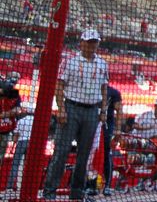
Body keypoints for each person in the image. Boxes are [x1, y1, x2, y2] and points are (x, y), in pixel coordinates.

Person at [43, 29, 109, 201]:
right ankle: (49, 192)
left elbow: (104, 89)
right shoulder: (70, 62)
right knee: (61, 151)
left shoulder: (102, 64)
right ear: (81, 43)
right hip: (71, 108)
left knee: (84, 154)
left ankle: (77, 192)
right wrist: (61, 108)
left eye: (95, 42)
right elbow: (59, 86)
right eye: (89, 42)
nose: (92, 45)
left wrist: (103, 111)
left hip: (92, 111)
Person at [87, 85, 122, 196]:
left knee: (106, 154)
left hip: (106, 127)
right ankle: (90, 185)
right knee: (89, 154)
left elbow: (119, 110)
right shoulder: (91, 87)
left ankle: (106, 185)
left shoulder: (113, 92)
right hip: (91, 124)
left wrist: (118, 129)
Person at [133, 97, 157, 190]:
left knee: (154, 161)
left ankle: (150, 182)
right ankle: (132, 183)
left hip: (151, 143)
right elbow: (135, 125)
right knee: (136, 162)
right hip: (138, 141)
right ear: (155, 105)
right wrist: (147, 128)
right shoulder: (145, 115)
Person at [6, 102, 33, 192]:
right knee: (29, 165)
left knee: (15, 164)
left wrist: (13, 145)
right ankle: (27, 186)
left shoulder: (21, 120)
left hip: (22, 141)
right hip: (32, 143)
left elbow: (16, 135)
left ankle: (10, 186)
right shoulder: (36, 120)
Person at [0, 71, 22, 171]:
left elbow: (17, 110)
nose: (14, 81)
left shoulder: (14, 94)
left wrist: (3, 115)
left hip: (5, 131)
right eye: (12, 78)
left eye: (16, 79)